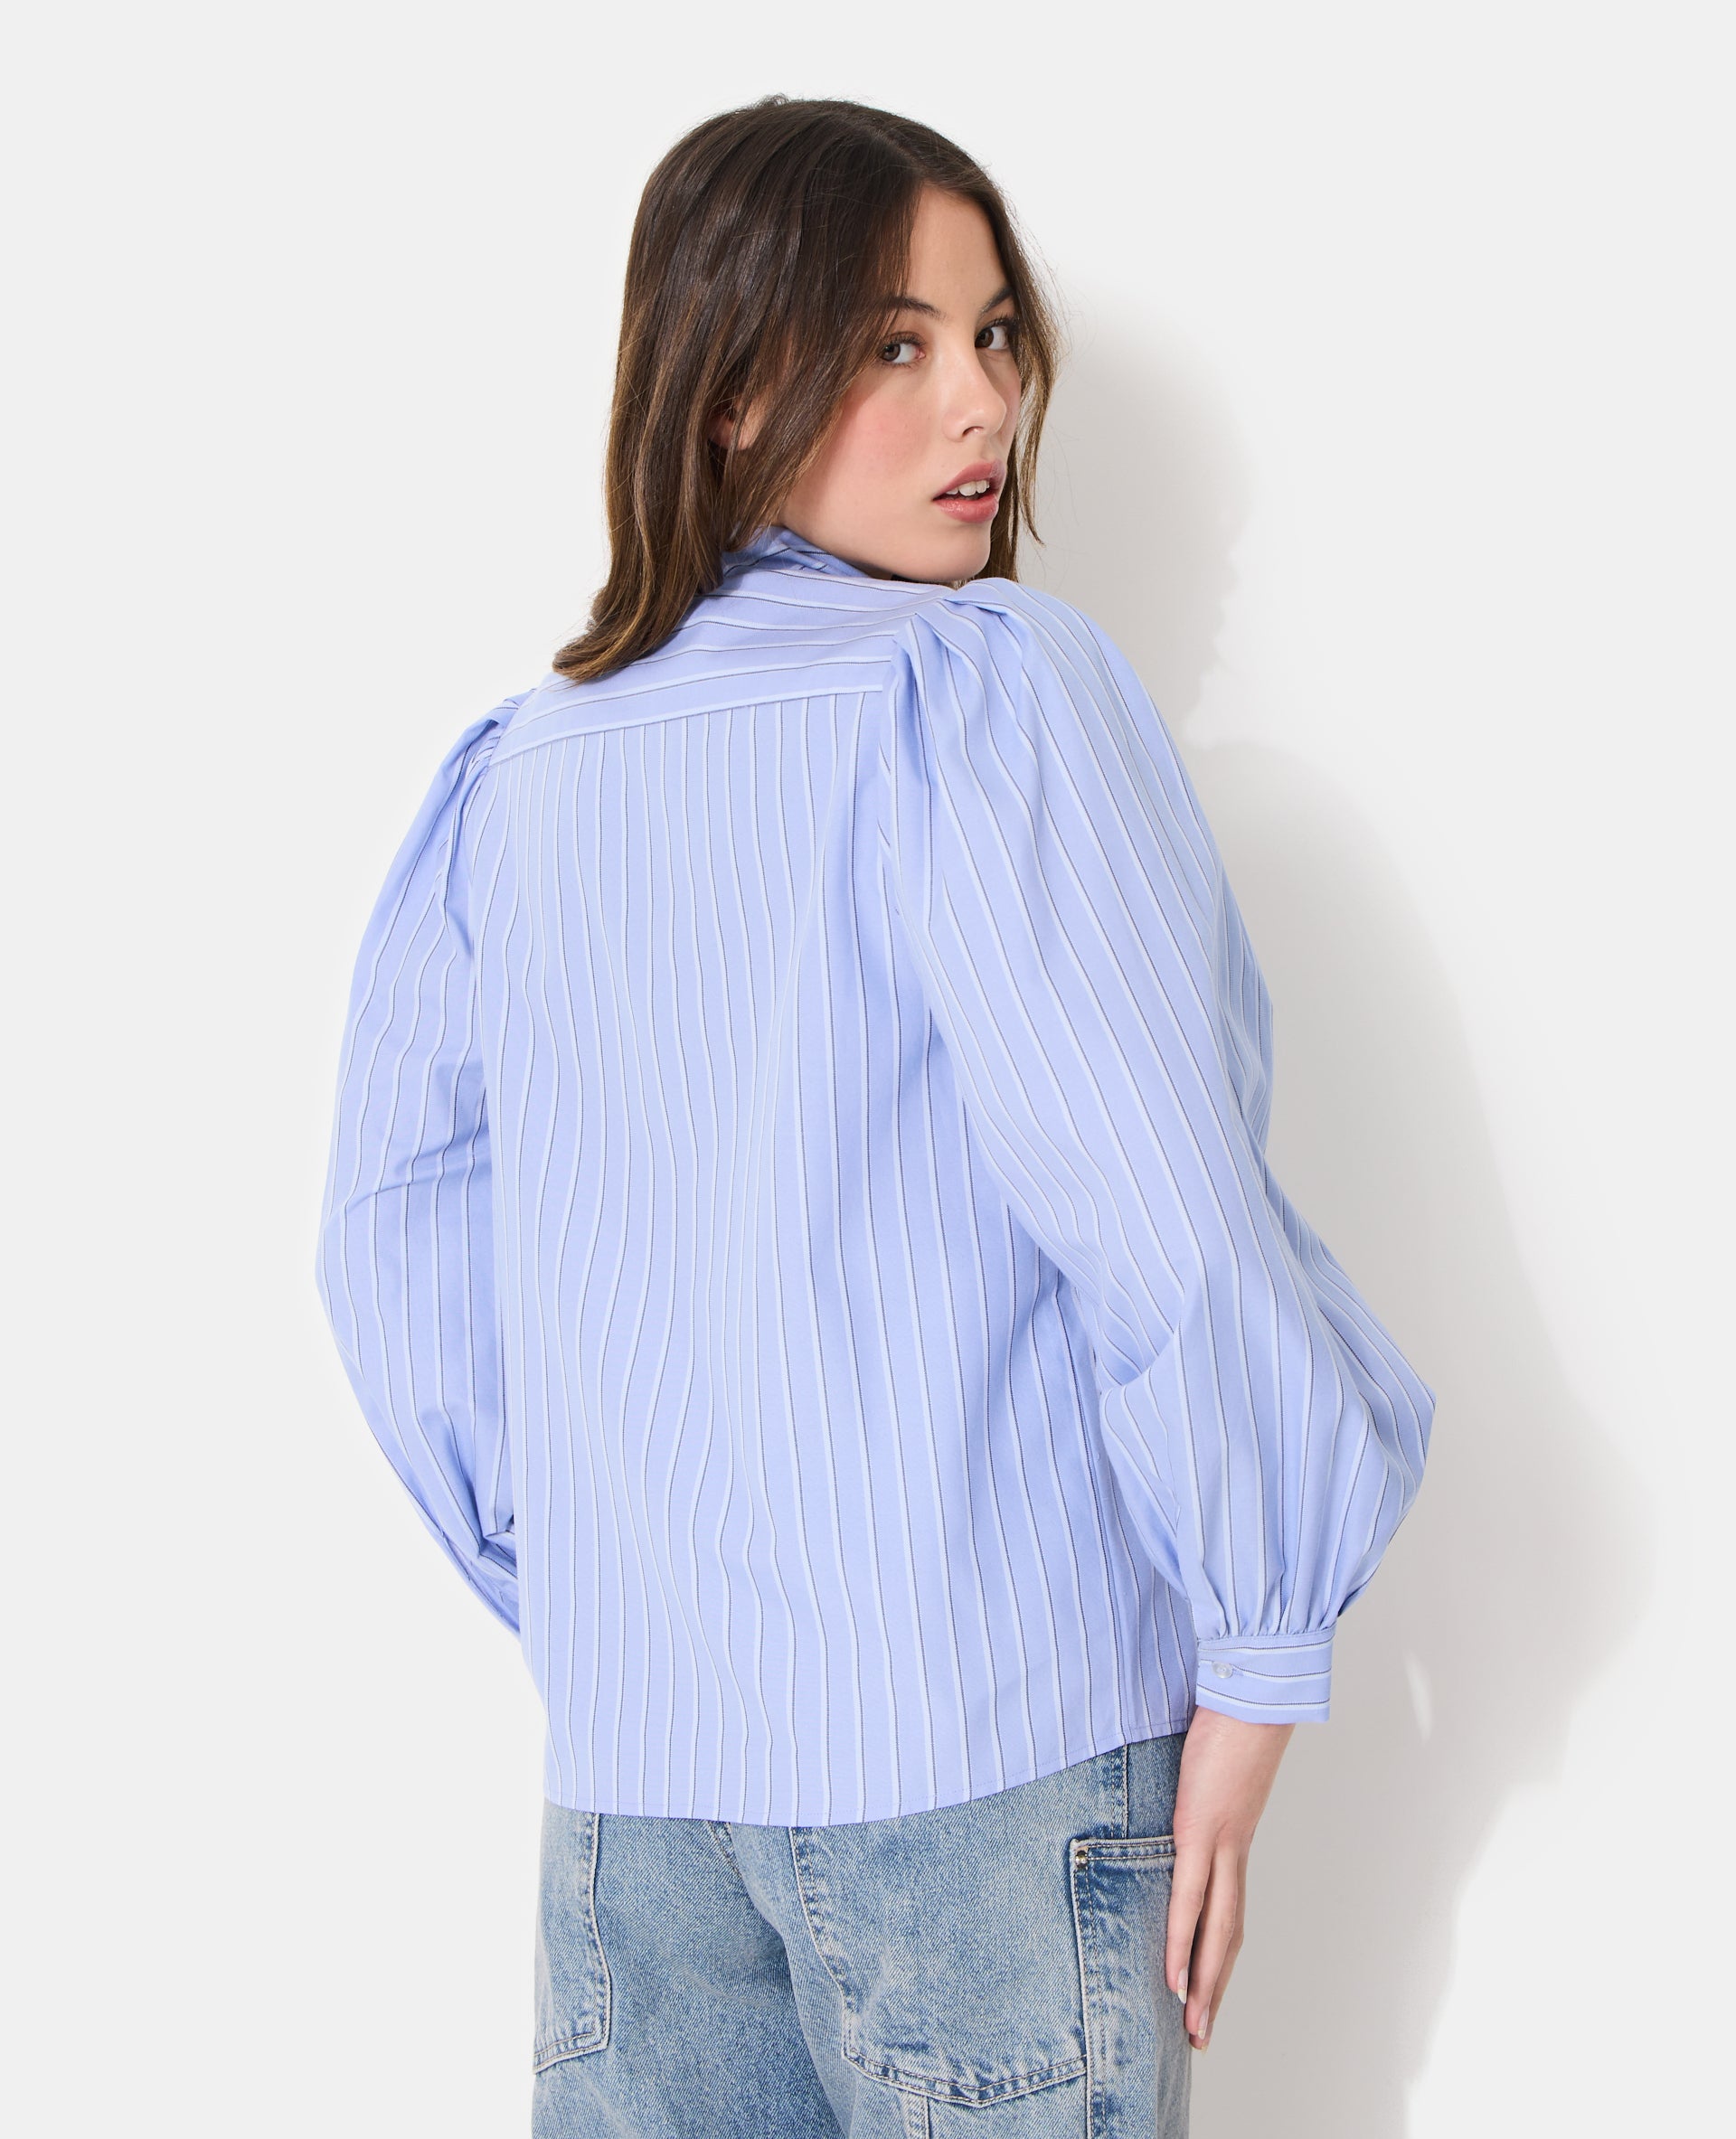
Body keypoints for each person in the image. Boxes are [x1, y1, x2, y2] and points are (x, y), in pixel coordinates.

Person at [315, 94, 1436, 2138]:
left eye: (994, 334)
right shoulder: (979, 690)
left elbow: (395, 1244)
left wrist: (625, 1594)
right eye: (894, 343)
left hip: (637, 1811)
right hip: (984, 1778)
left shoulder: (516, 775)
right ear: (731, 387)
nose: (981, 401)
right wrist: (1265, 1652)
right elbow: (1158, 1202)